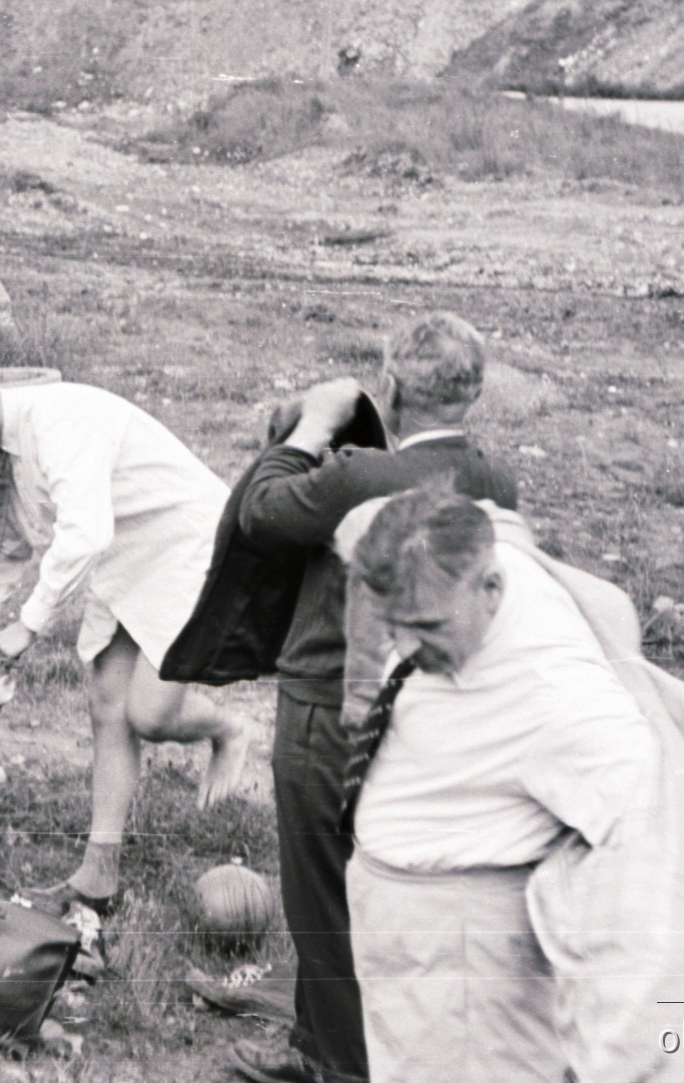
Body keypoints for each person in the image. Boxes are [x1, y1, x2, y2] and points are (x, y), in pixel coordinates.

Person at [196, 313, 517, 1083]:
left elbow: (261, 512)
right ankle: (323, 1045)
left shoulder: (358, 476)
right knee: (389, 887)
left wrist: (310, 423)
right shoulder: (494, 478)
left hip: (328, 703)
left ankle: (339, 1065)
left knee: (321, 894)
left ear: (393, 385)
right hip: (431, 708)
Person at [337, 492, 684, 1083]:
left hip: (465, 953)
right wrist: (362, 675)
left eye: (426, 627)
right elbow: (358, 524)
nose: (407, 650)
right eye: (394, 626)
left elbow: (662, 887)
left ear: (489, 588)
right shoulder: (466, 548)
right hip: (418, 938)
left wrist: (628, 1065)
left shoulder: (562, 701)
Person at [0, 365, 251, 911]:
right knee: (107, 701)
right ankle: (99, 874)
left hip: (189, 545)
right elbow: (4, 541)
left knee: (149, 715)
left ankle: (229, 729)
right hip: (123, 558)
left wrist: (28, 623)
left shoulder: (60, 421)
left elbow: (85, 532)